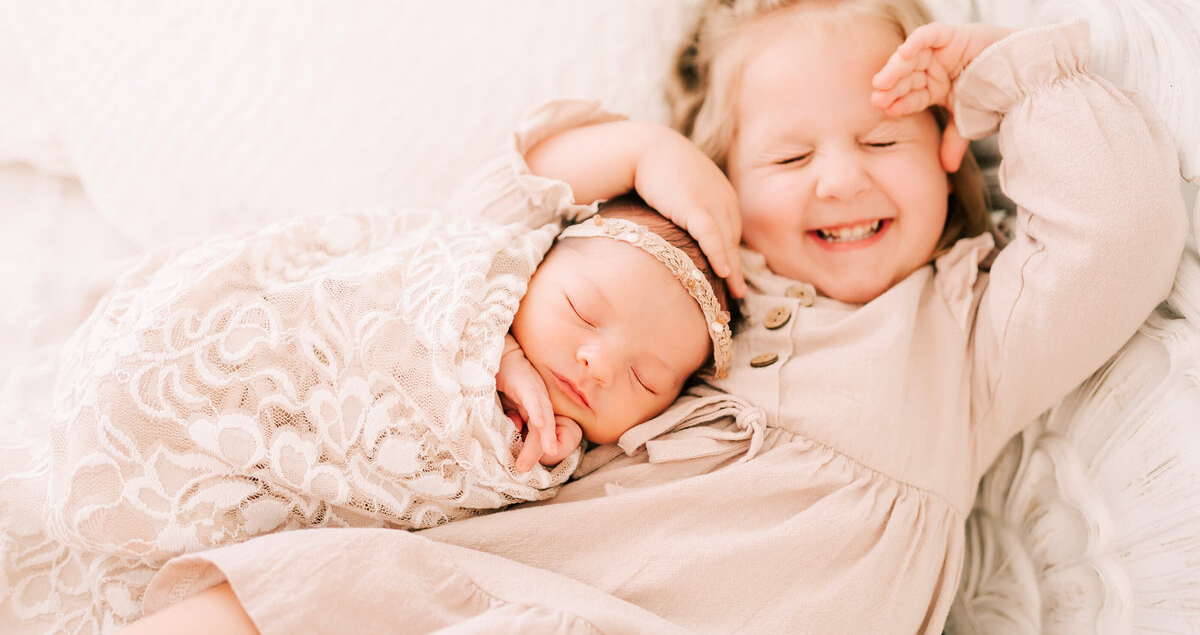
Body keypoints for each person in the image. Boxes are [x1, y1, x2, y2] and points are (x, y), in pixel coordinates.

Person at [121, 0, 1186, 635]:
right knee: (244, 601)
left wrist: (1011, 77)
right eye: (788, 155)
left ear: (947, 149)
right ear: (722, 178)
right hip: (516, 580)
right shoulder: (676, 278)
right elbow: (480, 228)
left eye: (882, 140)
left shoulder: (962, 339)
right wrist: (640, 154)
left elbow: (1123, 235)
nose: (841, 179)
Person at [1, 195, 732, 634]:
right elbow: (346, 312)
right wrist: (477, 353)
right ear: (533, 264)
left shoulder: (560, 454)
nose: (599, 365)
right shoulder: (467, 279)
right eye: (582, 312)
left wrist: (500, 442)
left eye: (646, 378)